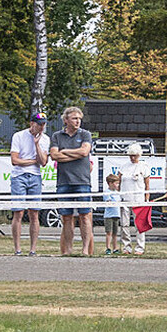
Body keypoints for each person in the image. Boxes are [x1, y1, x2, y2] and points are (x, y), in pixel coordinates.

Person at [50, 106, 94, 256]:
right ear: (66, 120)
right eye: (74, 118)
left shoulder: (86, 134)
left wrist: (66, 152)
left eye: (79, 119)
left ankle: (85, 250)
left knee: (85, 216)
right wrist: (75, 154)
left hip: (82, 181)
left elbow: (84, 152)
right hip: (64, 181)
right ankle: (68, 250)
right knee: (67, 217)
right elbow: (54, 156)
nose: (77, 121)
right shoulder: (57, 136)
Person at [10, 112, 50, 256]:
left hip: (35, 176)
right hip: (19, 176)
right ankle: (17, 248)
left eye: (43, 124)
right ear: (31, 123)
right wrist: (33, 161)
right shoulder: (18, 136)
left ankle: (33, 249)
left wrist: (37, 144)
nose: (41, 127)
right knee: (18, 212)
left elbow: (43, 162)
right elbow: (15, 160)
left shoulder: (45, 139)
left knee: (34, 213)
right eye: (39, 124)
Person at [118, 143, 151, 254]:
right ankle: (126, 246)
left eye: (135, 156)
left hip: (138, 199)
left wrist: (147, 198)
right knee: (124, 224)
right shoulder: (123, 166)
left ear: (139, 155)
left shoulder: (144, 166)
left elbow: (147, 184)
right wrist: (118, 195)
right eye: (131, 155)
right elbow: (119, 180)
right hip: (125, 199)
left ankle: (140, 247)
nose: (132, 158)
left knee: (139, 225)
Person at [103, 174, 121, 254]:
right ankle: (108, 248)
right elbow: (109, 202)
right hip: (109, 215)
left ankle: (115, 248)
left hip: (116, 215)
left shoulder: (117, 193)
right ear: (110, 183)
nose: (117, 185)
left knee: (115, 233)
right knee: (109, 232)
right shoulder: (107, 192)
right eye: (116, 183)